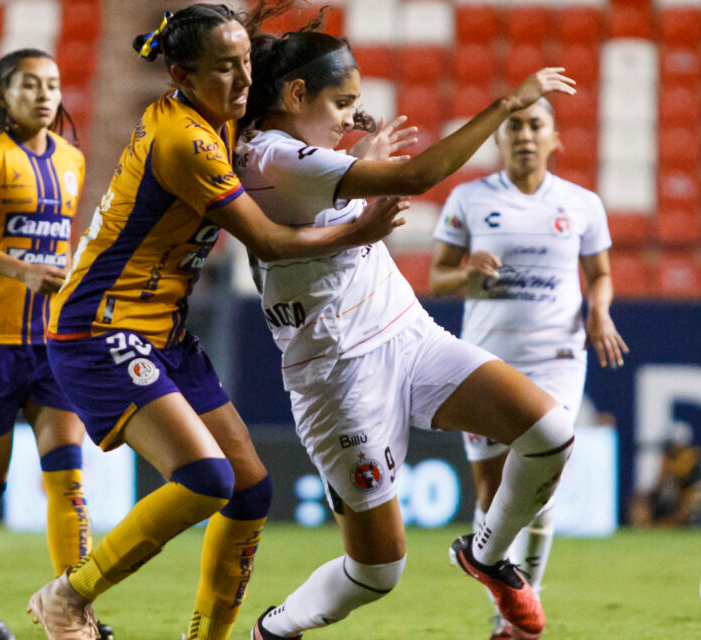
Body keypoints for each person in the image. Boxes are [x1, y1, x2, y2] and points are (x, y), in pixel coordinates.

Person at [28, 6, 404, 640]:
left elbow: (283, 119)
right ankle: (67, 597)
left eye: (246, 64)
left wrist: (333, 123)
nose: (240, 80)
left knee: (250, 492)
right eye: (224, 69)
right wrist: (357, 228)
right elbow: (268, 240)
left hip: (160, 329)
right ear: (181, 75)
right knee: (207, 479)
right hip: (100, 325)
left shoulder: (223, 113)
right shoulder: (185, 140)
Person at [232, 13, 578, 639]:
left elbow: (323, 203)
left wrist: (357, 159)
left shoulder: (298, 152)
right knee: (377, 571)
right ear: (295, 95)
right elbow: (418, 178)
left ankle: (487, 554)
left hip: (407, 333)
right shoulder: (275, 156)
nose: (348, 117)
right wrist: (507, 103)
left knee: (550, 432)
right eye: (341, 103)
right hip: (338, 375)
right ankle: (275, 629)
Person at [429, 97, 625, 639]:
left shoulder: (582, 204)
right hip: (486, 360)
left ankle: (515, 619)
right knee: (493, 494)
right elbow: (436, 277)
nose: (524, 135)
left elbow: (601, 274)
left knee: (543, 482)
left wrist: (599, 311)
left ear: (554, 137)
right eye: (514, 125)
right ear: (499, 138)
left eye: (536, 125)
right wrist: (469, 273)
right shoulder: (469, 199)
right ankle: (503, 595)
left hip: (556, 358)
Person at [0, 48, 108, 640]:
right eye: (29, 84)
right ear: (1, 95)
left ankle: (72, 607)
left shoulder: (71, 160)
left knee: (68, 476)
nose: (44, 94)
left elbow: (59, 248)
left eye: (53, 85)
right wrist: (21, 271)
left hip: (50, 341)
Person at [628, 436, 701, 529]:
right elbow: (653, 491)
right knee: (640, 503)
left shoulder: (692, 462)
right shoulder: (664, 466)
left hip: (682, 508)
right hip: (665, 507)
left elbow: (697, 493)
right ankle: (644, 531)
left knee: (697, 501)